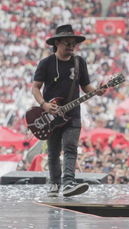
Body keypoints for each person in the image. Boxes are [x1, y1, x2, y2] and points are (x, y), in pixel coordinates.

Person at [31, 24, 106, 198]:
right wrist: (44, 105)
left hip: (73, 115)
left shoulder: (79, 62)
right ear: (57, 43)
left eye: (73, 43)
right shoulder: (46, 63)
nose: (71, 46)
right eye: (67, 43)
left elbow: (86, 86)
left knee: (71, 149)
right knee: (53, 152)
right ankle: (55, 184)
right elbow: (35, 88)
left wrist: (97, 91)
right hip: (50, 115)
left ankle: (69, 183)